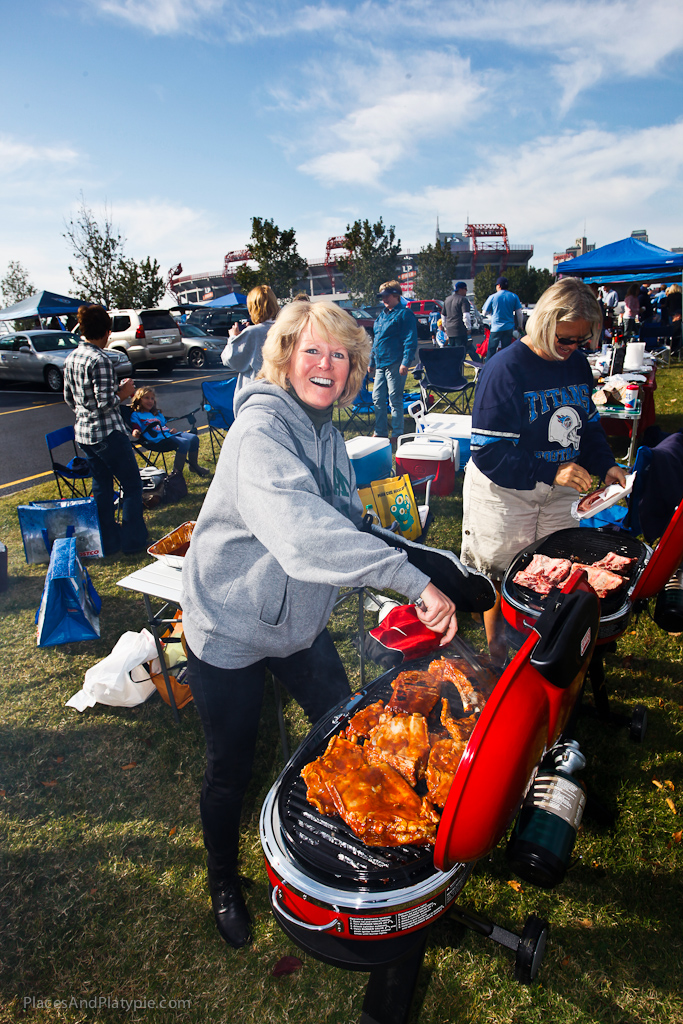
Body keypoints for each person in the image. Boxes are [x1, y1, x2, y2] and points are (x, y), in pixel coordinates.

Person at [181, 300, 457, 948]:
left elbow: (342, 519)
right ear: (284, 355)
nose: (326, 366)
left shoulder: (326, 432)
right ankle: (223, 879)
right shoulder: (260, 431)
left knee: (344, 718)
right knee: (230, 767)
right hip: (229, 625)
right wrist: (409, 581)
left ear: (356, 367)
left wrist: (422, 559)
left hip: (295, 625)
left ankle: (369, 846)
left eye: (340, 355)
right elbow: (302, 534)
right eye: (312, 351)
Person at [460, 278, 627, 664]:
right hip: (506, 491)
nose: (572, 350)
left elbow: (588, 426)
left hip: (559, 489)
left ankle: (540, 645)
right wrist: (551, 472)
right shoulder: (505, 369)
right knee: (500, 574)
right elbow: (488, 452)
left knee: (553, 572)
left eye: (581, 341)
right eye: (565, 339)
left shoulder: (577, 365)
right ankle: (497, 652)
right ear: (544, 323)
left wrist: (607, 465)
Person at [63, 304, 148, 556]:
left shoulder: (72, 357)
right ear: (106, 331)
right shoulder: (100, 359)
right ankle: (133, 542)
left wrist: (86, 409)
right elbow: (104, 402)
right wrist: (123, 393)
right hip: (107, 434)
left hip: (85, 434)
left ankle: (108, 542)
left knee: (101, 486)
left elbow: (69, 398)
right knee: (132, 485)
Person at [370, 281, 418, 445]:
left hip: (395, 363)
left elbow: (410, 339)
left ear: (396, 295)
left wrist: (405, 362)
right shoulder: (382, 316)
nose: (384, 299)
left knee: (394, 399)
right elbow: (376, 340)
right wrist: (371, 361)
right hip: (381, 363)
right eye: (382, 296)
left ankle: (397, 434)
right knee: (377, 398)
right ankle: (381, 432)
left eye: (387, 296)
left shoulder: (404, 315)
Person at [129, 386, 210, 477]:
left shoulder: (156, 413)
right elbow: (135, 427)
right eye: (146, 398)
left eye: (152, 398)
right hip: (157, 440)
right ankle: (176, 474)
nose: (150, 401)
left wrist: (171, 430)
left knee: (194, 438)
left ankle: (193, 466)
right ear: (139, 399)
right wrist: (136, 432)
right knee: (184, 442)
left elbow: (163, 426)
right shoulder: (136, 414)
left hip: (167, 435)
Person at [220, 284, 279, 406]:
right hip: (278, 391)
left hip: (254, 395)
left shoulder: (252, 332)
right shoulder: (282, 328)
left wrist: (233, 338)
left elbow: (230, 359)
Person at [482, 276, 522, 360]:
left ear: (499, 285)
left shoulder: (493, 297)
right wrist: (520, 325)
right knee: (506, 350)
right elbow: (519, 313)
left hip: (496, 328)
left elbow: (484, 312)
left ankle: (488, 368)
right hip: (508, 327)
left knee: (491, 350)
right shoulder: (514, 296)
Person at [443, 281, 477, 359]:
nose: (466, 291)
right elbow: (466, 315)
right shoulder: (463, 300)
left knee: (452, 350)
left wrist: (445, 328)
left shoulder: (447, 300)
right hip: (460, 329)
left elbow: (443, 316)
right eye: (465, 289)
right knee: (463, 350)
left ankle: (452, 366)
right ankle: (478, 365)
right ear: (460, 289)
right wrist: (468, 327)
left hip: (450, 330)